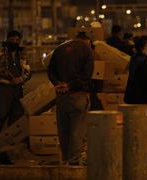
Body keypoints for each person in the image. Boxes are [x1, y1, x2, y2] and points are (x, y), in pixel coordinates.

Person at [47, 32, 94, 165]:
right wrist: (70, 85)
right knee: (77, 132)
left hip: (61, 97)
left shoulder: (59, 49)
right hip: (78, 96)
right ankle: (73, 165)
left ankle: (66, 161)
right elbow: (87, 75)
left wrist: (58, 84)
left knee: (64, 131)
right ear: (87, 41)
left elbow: (50, 70)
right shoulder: (86, 50)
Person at [0, 30, 31, 164]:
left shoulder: (22, 54)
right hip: (4, 88)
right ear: (7, 39)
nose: (15, 42)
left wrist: (21, 79)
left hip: (18, 89)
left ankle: (11, 147)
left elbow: (28, 70)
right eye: (13, 39)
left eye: (17, 40)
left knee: (17, 118)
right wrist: (0, 74)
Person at [124, 36, 147, 104]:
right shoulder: (144, 61)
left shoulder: (135, 58)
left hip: (132, 97)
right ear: (141, 48)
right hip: (140, 99)